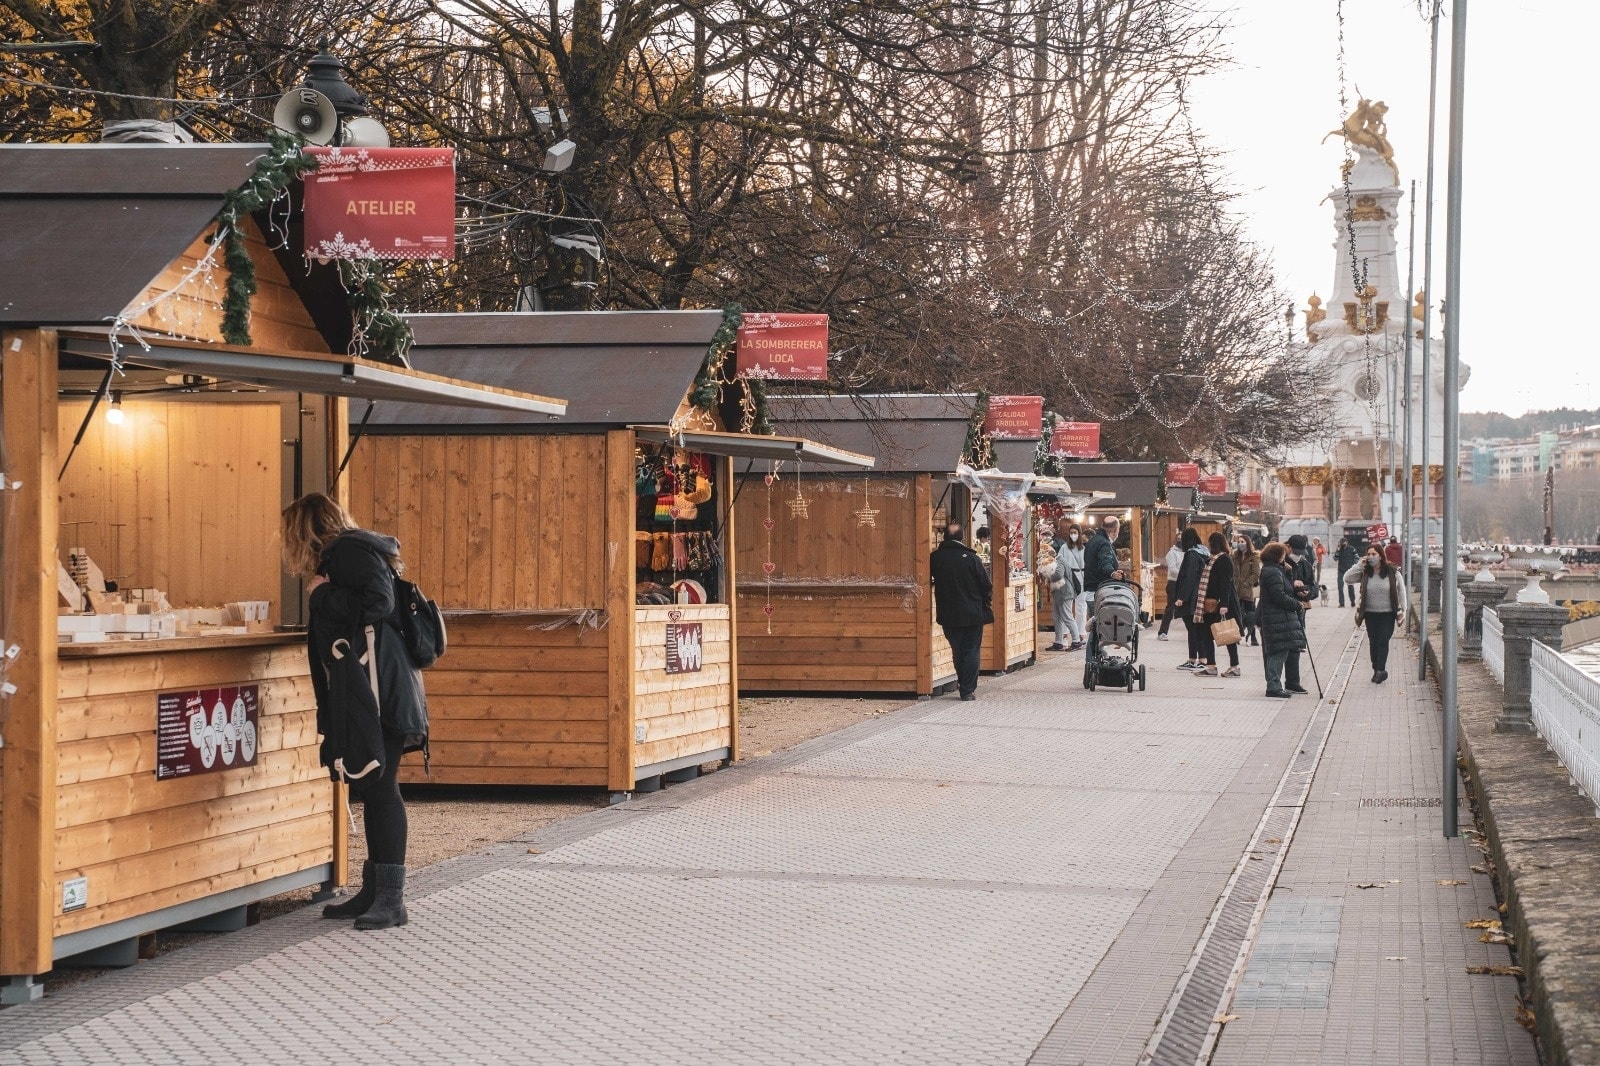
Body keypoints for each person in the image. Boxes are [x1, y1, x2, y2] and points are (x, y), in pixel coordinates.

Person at [283, 493, 428, 931]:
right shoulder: (355, 550)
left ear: (304, 531)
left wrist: (324, 595)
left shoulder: (346, 552)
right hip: (380, 684)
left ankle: (392, 900)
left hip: (379, 690)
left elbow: (378, 602)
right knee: (372, 784)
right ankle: (374, 889)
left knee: (381, 787)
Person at [930, 523, 993, 701]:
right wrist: (984, 602)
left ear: (944, 538)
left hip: (948, 613)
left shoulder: (935, 558)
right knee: (971, 650)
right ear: (961, 538)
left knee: (957, 650)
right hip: (972, 613)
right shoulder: (972, 558)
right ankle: (967, 689)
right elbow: (985, 585)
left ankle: (962, 681)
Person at [1346, 543, 1408, 683]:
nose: (1371, 557)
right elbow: (1347, 579)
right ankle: (1376, 669)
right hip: (1370, 613)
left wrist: (1403, 610)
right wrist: (1359, 565)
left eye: (1374, 554)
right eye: (1369, 554)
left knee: (1383, 640)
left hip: (1388, 613)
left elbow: (1401, 592)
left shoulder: (1393, 572)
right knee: (1373, 642)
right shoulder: (1365, 572)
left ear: (1381, 555)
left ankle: (1381, 669)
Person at [1258, 542, 1308, 698]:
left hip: (1280, 618)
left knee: (1280, 651)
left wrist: (1288, 572)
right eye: (1282, 554)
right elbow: (1278, 595)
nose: (1284, 557)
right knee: (1277, 652)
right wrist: (1297, 604)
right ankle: (1273, 686)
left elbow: (1285, 589)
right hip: (1276, 617)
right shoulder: (1272, 572)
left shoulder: (1275, 570)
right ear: (1277, 556)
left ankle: (1276, 685)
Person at [1192, 531, 1243, 677]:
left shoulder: (1223, 560)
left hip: (1221, 604)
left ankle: (1234, 666)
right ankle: (1211, 665)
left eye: (1210, 543)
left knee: (1228, 635)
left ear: (1214, 544)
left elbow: (1225, 583)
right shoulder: (1212, 559)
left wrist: (1224, 605)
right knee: (1207, 634)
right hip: (1210, 604)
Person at [1170, 526, 1211, 670]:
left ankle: (1197, 659)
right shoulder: (1203, 553)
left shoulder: (1191, 555)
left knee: (1194, 630)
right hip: (1200, 595)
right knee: (1197, 629)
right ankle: (1198, 658)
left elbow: (1189, 577)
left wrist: (1182, 597)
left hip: (1191, 598)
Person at [1038, 537, 1081, 652]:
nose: (1046, 555)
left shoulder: (1059, 561)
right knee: (1057, 618)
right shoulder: (1055, 561)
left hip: (1065, 593)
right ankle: (1058, 642)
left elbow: (1058, 575)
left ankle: (1076, 641)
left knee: (1067, 617)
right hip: (1059, 593)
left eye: (1047, 552)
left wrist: (1047, 576)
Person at [1232, 534, 1262, 646]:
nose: (1240, 544)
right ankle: (1237, 635)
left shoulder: (1253, 557)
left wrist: (1246, 583)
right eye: (1239, 542)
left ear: (1248, 543)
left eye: (1243, 542)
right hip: (1236, 590)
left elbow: (1256, 574)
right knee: (1237, 614)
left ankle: (1253, 636)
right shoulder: (1235, 556)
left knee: (1250, 614)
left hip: (1248, 591)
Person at [1158, 536, 1184, 640]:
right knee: (1170, 608)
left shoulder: (1187, 553)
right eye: (1179, 539)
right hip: (1173, 582)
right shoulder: (1172, 553)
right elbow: (1173, 569)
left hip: (1183, 583)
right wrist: (1185, 574)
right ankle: (1162, 632)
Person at [1334, 536, 1360, 606]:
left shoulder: (1352, 549)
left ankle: (1352, 601)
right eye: (1342, 543)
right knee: (1340, 587)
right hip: (1341, 571)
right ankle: (1341, 603)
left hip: (1349, 571)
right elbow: (1335, 559)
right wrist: (1338, 550)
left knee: (1350, 587)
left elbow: (1357, 558)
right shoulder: (1339, 549)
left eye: (1344, 543)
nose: (1343, 545)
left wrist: (1353, 566)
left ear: (1347, 543)